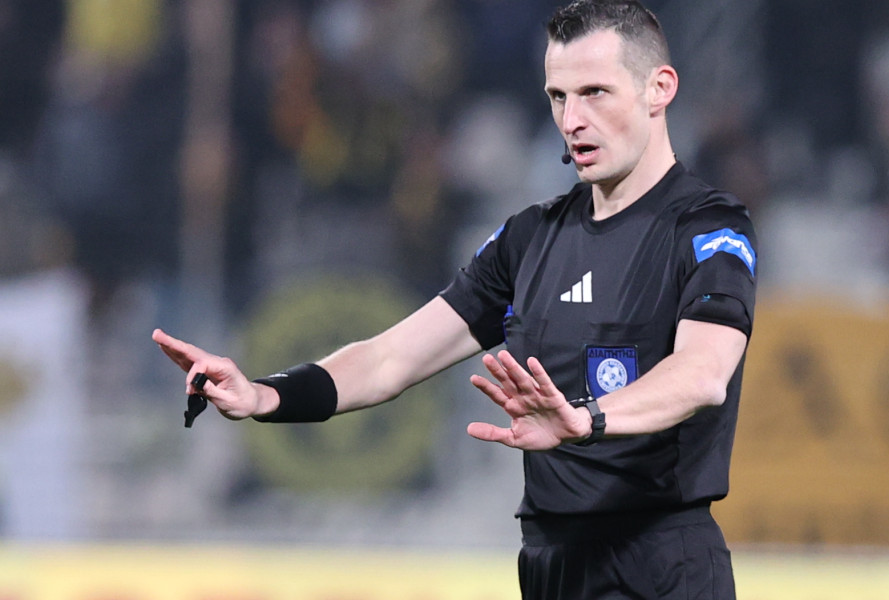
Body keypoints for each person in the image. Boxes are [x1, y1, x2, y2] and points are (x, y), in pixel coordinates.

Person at [153, 1, 756, 598]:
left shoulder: (707, 228)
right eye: (558, 97)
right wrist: (266, 394)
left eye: (595, 92)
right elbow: (390, 359)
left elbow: (703, 374)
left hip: (661, 566)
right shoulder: (529, 239)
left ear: (658, 89)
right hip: (552, 567)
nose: (572, 119)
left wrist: (589, 419)